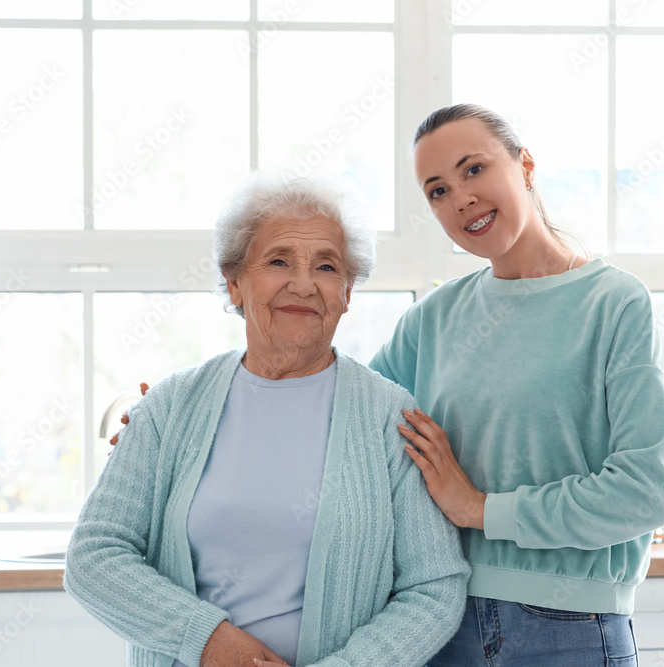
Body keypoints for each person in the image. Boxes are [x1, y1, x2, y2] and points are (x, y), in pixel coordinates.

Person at [64, 174, 470, 667]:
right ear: (234, 283)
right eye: (279, 261)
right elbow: (94, 556)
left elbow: (434, 586)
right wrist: (209, 641)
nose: (304, 283)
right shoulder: (169, 407)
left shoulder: (390, 416)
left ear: (346, 293)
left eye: (326, 266)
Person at [365, 104, 664, 666]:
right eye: (437, 191)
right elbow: (348, 424)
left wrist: (481, 509)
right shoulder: (434, 318)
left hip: (571, 629)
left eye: (473, 169)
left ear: (526, 165)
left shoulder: (613, 304)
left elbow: (650, 486)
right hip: (439, 622)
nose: (460, 197)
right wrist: (212, 409)